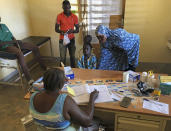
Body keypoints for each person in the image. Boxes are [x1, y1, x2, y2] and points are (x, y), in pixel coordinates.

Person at [29, 68, 99, 130]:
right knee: (95, 122)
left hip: (43, 128)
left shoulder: (33, 96)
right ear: (60, 85)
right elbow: (87, 122)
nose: (66, 80)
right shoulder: (64, 100)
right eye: (64, 79)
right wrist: (92, 98)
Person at [0, 17, 46, 85]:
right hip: (6, 47)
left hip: (13, 43)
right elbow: (1, 44)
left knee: (35, 47)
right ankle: (29, 79)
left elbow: (11, 36)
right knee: (19, 53)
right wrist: (13, 42)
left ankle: (44, 67)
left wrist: (16, 41)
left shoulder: (3, 25)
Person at [55, 0, 79, 68]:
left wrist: (72, 31)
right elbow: (56, 29)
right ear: (62, 7)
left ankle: (74, 70)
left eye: (68, 8)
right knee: (62, 58)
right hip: (62, 40)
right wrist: (61, 32)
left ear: (70, 7)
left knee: (72, 57)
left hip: (71, 39)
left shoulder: (74, 17)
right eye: (65, 8)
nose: (66, 10)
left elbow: (77, 30)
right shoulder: (59, 16)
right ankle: (62, 72)